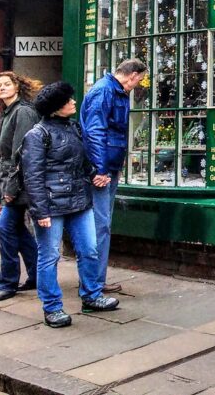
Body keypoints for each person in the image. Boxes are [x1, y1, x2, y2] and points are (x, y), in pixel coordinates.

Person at [23, 82, 119, 328]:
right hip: (51, 206)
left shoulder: (74, 127)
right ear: (56, 108)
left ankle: (91, 295)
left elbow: (81, 161)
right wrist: (40, 211)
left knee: (89, 250)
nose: (74, 103)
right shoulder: (37, 135)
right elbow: (32, 176)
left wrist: (96, 173)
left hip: (79, 201)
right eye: (68, 100)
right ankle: (52, 308)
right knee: (49, 256)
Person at [80, 59, 147, 293]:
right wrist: (100, 169)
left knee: (101, 225)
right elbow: (95, 131)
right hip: (103, 169)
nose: (138, 84)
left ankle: (95, 280)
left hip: (109, 166)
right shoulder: (104, 91)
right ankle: (93, 284)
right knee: (100, 226)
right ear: (132, 75)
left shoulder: (114, 91)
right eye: (139, 79)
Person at [0, 72, 42, 301]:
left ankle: (8, 283)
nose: (2, 88)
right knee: (17, 228)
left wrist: (10, 189)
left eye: (7, 84)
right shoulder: (8, 112)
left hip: (19, 182)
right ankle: (37, 274)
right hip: (11, 178)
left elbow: (22, 153)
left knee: (7, 229)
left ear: (18, 87)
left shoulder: (23, 112)